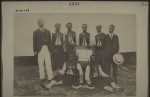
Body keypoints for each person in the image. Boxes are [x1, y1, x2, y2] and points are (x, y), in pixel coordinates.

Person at [33, 19, 53, 86]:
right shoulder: (35, 32)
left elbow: (50, 42)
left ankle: (50, 77)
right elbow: (34, 42)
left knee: (48, 63)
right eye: (40, 22)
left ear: (43, 23)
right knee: (40, 63)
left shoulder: (47, 31)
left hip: (46, 48)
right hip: (39, 50)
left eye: (42, 22)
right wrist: (35, 51)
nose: (41, 23)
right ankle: (42, 78)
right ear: (38, 23)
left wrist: (50, 50)